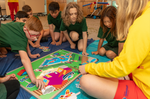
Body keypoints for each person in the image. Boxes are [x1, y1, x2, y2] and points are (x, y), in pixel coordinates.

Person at [79, 0, 150, 98]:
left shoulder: (141, 25)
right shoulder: (144, 17)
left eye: (119, 6)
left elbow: (122, 66)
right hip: (139, 72)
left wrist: (88, 68)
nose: (119, 10)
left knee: (86, 81)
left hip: (145, 91)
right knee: (108, 64)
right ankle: (125, 77)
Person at [0, 16, 45, 90]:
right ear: (25, 29)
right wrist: (34, 79)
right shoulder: (19, 38)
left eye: (37, 35)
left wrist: (30, 54)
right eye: (33, 35)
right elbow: (24, 60)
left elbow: (25, 39)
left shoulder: (23, 25)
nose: (35, 38)